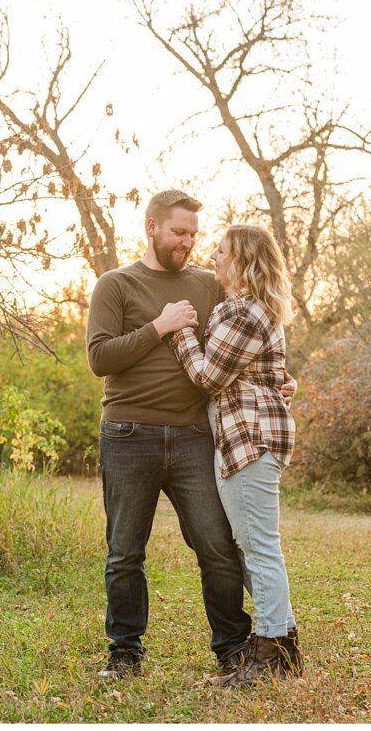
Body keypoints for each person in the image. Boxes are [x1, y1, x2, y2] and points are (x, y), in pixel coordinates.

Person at [86, 189, 295, 680]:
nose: (187, 243)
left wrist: (280, 376)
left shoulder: (208, 284)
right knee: (124, 551)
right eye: (179, 232)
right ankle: (125, 654)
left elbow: (251, 328)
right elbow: (100, 358)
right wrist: (160, 326)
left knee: (217, 547)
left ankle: (233, 648)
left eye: (194, 235)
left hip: (194, 436)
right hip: (127, 432)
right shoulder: (115, 285)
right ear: (152, 226)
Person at [166, 224, 301, 686]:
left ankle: (269, 657)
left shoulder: (244, 312)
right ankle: (282, 650)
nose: (214, 257)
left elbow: (208, 377)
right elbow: (265, 374)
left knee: (259, 549)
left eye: (221, 251)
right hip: (247, 438)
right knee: (259, 548)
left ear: (242, 261)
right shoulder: (249, 310)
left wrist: (181, 333)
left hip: (249, 440)